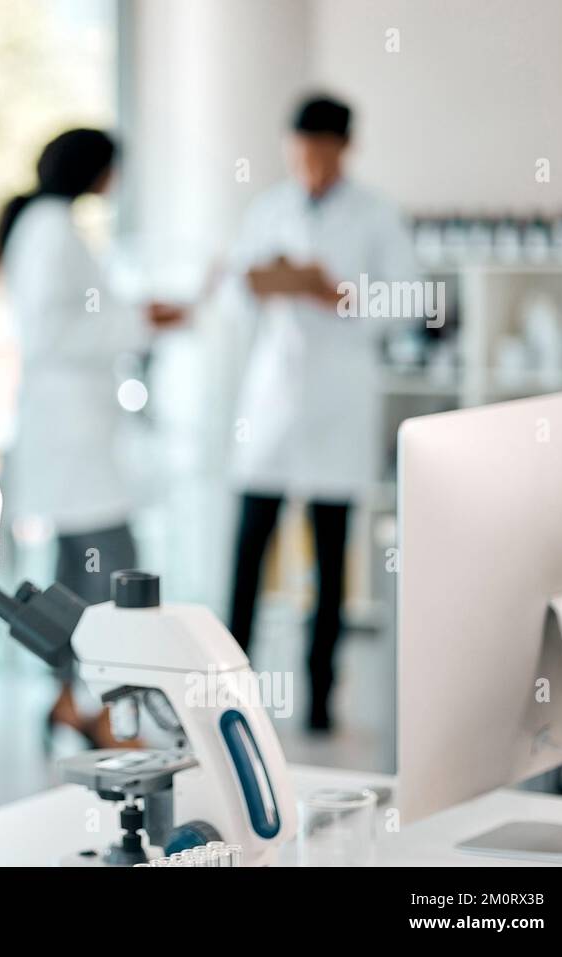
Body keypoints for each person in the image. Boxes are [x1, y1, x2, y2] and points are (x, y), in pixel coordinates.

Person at [224, 94, 420, 732]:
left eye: (318, 151)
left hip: (338, 397)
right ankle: (231, 688)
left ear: (343, 147)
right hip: (274, 399)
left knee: (331, 558)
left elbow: (409, 297)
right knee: (250, 547)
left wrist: (339, 294)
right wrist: (266, 282)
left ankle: (318, 696)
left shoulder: (377, 214)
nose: (306, 163)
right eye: (298, 152)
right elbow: (235, 289)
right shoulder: (271, 207)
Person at [0, 128, 182, 750]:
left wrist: (130, 319)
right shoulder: (50, 228)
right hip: (73, 438)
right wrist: (136, 322)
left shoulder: (51, 224)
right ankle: (105, 716)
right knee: (112, 581)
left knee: (76, 583)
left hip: (73, 436)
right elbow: (52, 331)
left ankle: (75, 702)